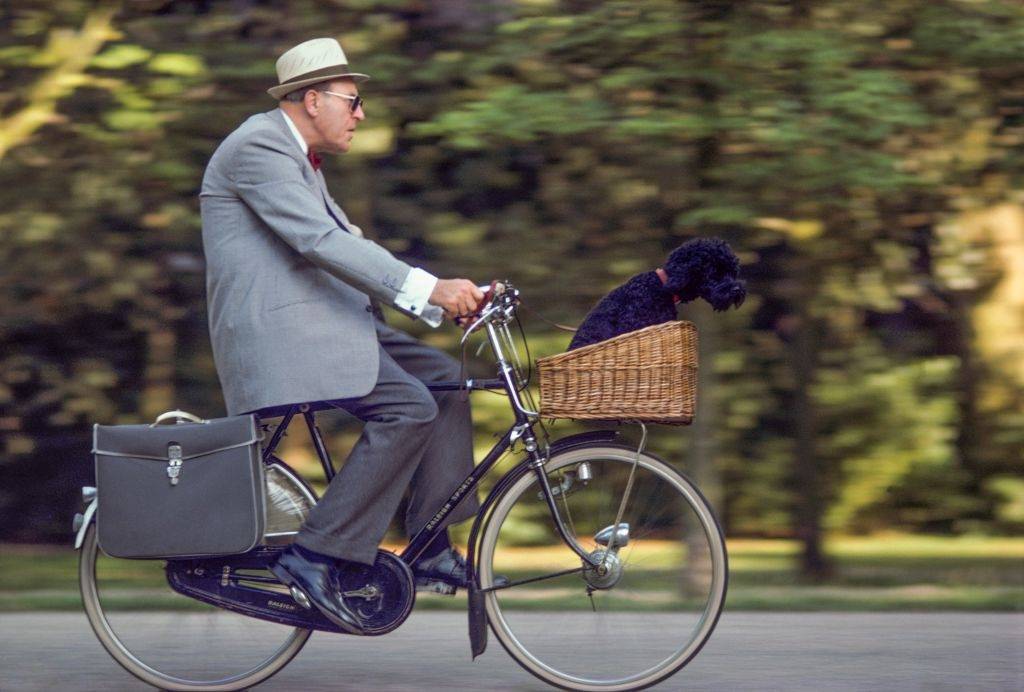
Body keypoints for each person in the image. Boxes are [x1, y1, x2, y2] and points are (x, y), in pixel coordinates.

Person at [200, 37, 486, 634]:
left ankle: (430, 545)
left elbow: (353, 244)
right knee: (408, 407)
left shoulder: (298, 157)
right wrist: (431, 288)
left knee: (447, 382)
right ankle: (315, 555)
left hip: (327, 320)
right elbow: (321, 245)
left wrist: (441, 299)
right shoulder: (258, 147)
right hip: (283, 334)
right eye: (352, 101)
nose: (361, 114)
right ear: (313, 99)